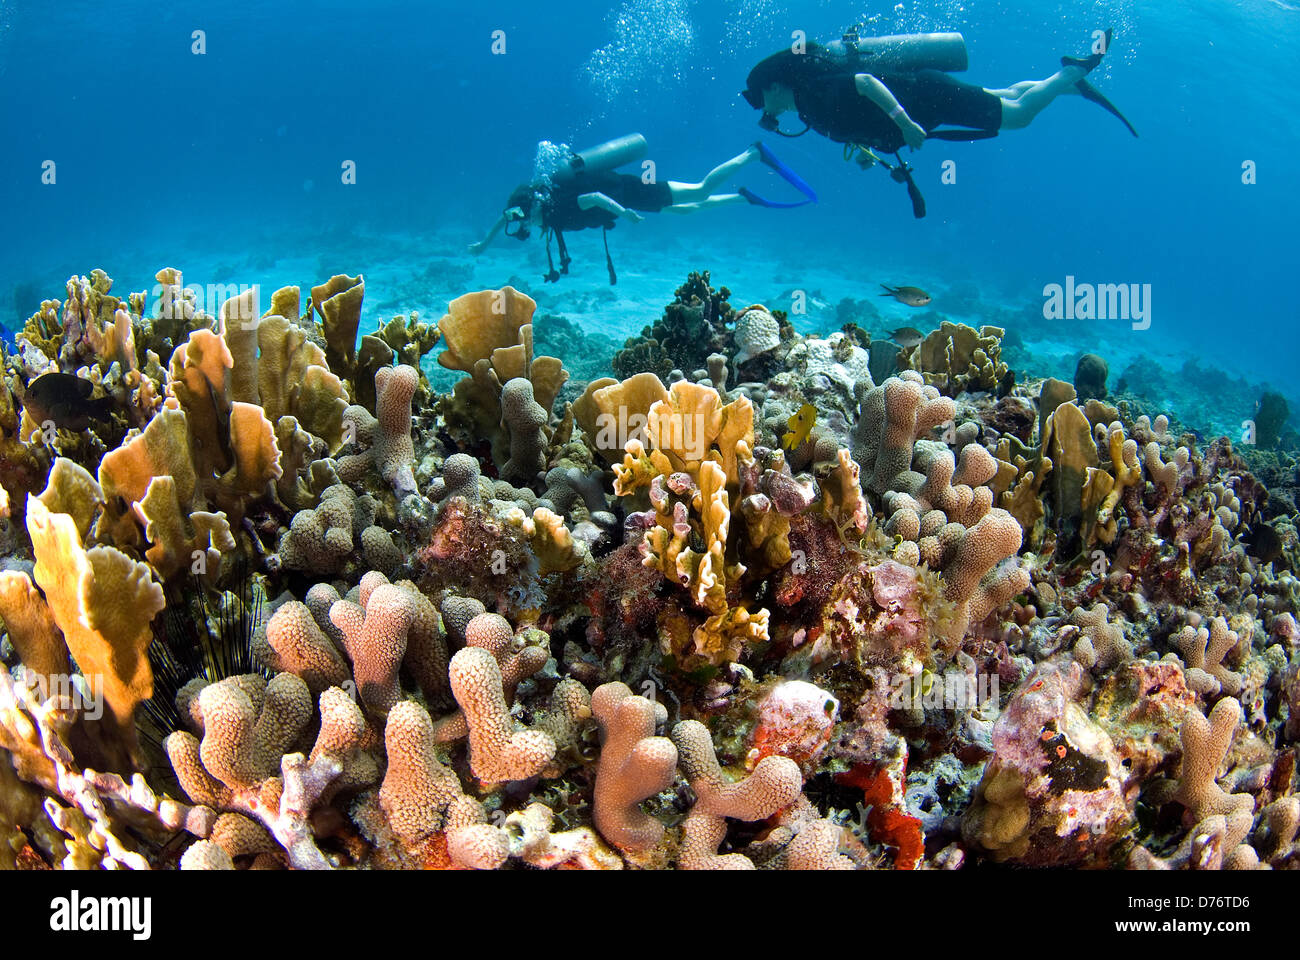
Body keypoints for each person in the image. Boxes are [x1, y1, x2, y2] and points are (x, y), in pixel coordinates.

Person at [741, 28, 1135, 215]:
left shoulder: (812, 94)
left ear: (776, 84)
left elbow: (863, 82)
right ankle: (1069, 86)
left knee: (1018, 116)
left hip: (926, 100)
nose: (764, 112)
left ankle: (1070, 75)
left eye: (760, 99)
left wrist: (905, 124)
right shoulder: (810, 107)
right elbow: (854, 116)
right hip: (926, 99)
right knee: (1004, 98)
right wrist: (864, 149)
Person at [469, 135, 811, 283]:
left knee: (699, 190)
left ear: (533, 207)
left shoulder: (556, 205)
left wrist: (624, 213)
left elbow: (594, 201)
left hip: (630, 192)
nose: (530, 226)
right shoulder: (542, 210)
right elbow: (505, 217)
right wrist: (485, 243)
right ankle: (743, 198)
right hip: (626, 197)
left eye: (526, 219)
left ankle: (753, 153)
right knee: (686, 211)